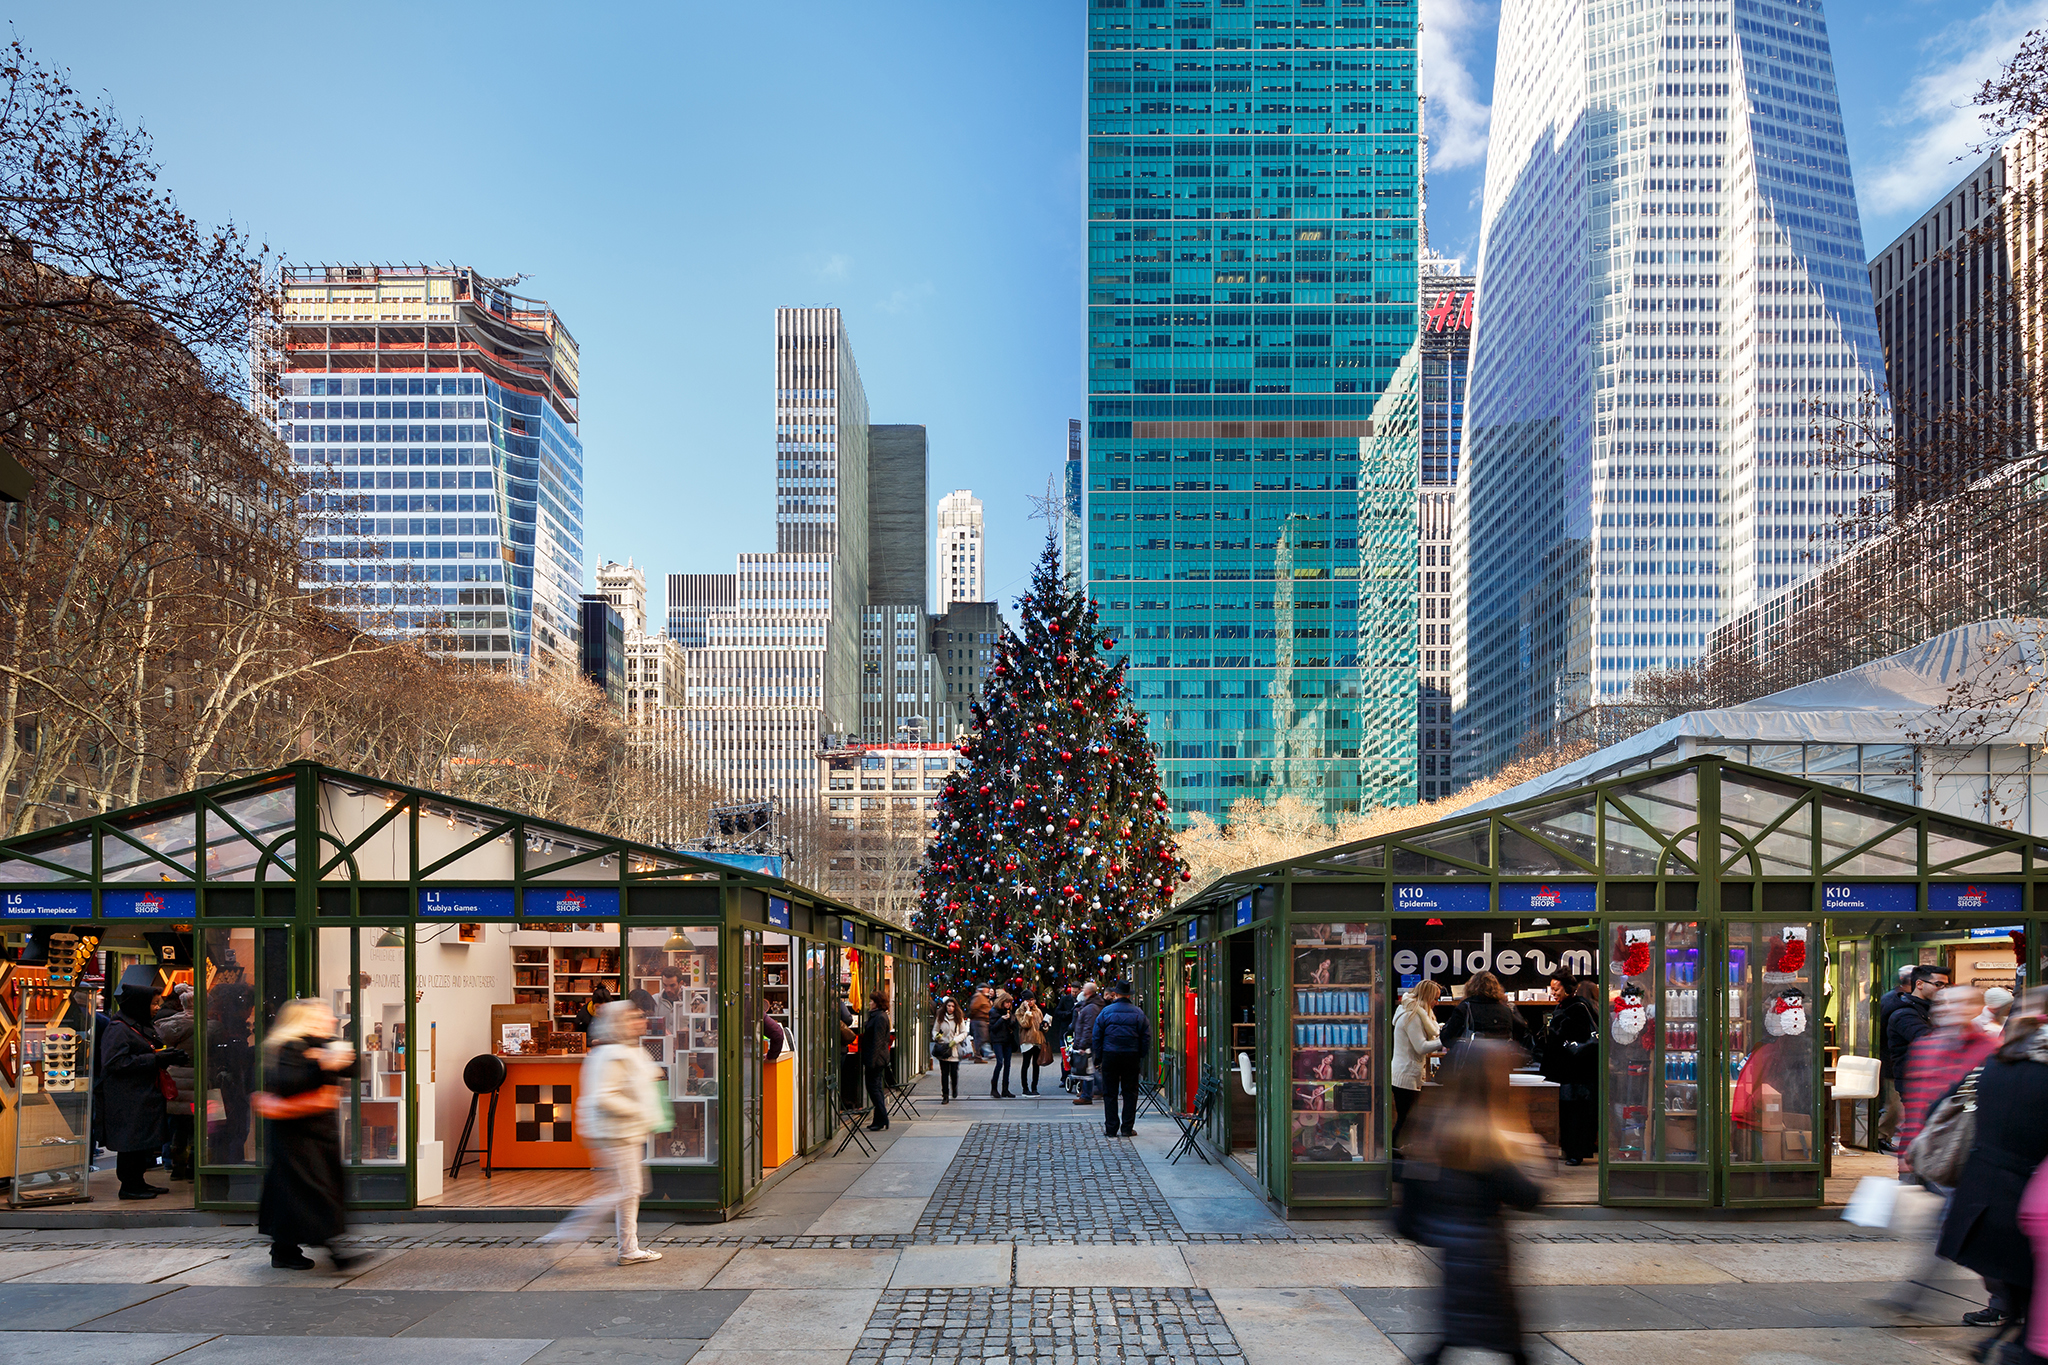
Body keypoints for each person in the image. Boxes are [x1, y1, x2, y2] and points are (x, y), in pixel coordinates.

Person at [1405, 1041, 1544, 1365]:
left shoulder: (1433, 1128)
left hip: (1452, 1257)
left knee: (1452, 1333)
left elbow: (1414, 1195)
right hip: (1486, 1260)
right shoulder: (1487, 1141)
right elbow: (1527, 1196)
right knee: (1509, 1340)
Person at [1937, 988, 2048, 1358]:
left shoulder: (1996, 1060)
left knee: (2021, 1294)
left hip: (1982, 1194)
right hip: (2028, 1199)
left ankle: (2001, 1341)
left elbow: (1944, 1105)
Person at [1880, 985, 1998, 1322]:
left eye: (1958, 1003)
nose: (1947, 1008)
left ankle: (1915, 1295)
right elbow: (1914, 1100)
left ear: (1976, 1008)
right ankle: (2003, 1299)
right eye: (1944, 1003)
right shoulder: (1927, 1046)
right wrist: (1907, 1147)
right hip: (1934, 1151)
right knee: (1948, 1228)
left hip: (1969, 1154)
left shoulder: (1989, 1048)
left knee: (1953, 1228)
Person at [541, 1001, 664, 1265]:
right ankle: (569, 1232)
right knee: (625, 1191)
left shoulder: (617, 1051)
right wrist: (639, 1110)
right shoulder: (613, 1054)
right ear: (621, 1022)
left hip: (619, 1132)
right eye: (634, 1018)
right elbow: (604, 1097)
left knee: (626, 1191)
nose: (640, 1021)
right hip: (616, 1132)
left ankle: (628, 1247)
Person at [256, 999, 359, 1269]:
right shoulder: (292, 1047)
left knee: (301, 1190)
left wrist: (329, 1059)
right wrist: (324, 1064)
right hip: (298, 1135)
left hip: (316, 1132)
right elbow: (293, 1085)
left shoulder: (322, 1045)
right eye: (326, 1016)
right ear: (308, 1020)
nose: (333, 1021)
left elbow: (353, 1067)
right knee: (310, 1190)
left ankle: (285, 1249)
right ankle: (335, 1253)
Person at [96, 965, 187, 1199]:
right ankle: (130, 1185)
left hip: (142, 1094)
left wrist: (165, 1057)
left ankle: (138, 1181)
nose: (157, 1008)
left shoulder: (139, 1025)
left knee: (140, 1142)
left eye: (158, 1003)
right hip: (126, 1097)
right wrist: (156, 1058)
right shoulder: (119, 1028)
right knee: (130, 1143)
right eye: (153, 1003)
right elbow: (115, 1063)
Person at [1884, 965, 1948, 1153]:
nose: (1942, 990)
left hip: (1931, 1081)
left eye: (1946, 985)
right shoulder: (1904, 1012)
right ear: (1919, 984)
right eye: (1938, 984)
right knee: (1916, 1132)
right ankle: (1909, 1176)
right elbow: (1928, 1042)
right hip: (1915, 1083)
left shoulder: (1928, 1010)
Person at [1540, 972, 1599, 1167]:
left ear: (1568, 988)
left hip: (1578, 1069)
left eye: (1556, 989)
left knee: (1575, 1110)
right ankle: (1572, 1150)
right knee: (1570, 1109)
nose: (1552, 992)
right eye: (1551, 988)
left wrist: (1566, 1043)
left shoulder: (1578, 1007)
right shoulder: (1567, 1005)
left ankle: (1576, 1152)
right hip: (1570, 1068)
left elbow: (1585, 1035)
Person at [1092, 981, 1153, 1137]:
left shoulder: (1106, 1012)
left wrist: (1098, 1057)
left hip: (1110, 1054)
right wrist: (1140, 1054)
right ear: (1129, 995)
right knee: (1130, 1092)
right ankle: (1127, 1127)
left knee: (1110, 1093)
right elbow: (1146, 1037)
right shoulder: (1138, 1013)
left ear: (1115, 995)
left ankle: (1111, 1128)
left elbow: (1097, 1036)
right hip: (1131, 1055)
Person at [1392, 980, 1445, 1155]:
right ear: (1427, 996)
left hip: (1407, 1073)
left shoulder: (1413, 1012)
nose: (1436, 1003)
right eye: (1435, 998)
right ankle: (1395, 1152)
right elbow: (1421, 1047)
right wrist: (1443, 1040)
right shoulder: (1412, 1016)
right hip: (1405, 1074)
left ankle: (1398, 1151)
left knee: (1407, 1118)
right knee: (1406, 1119)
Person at [154, 982, 198, 1183]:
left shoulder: (169, 1025)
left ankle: (175, 1166)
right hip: (198, 1082)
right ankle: (193, 1167)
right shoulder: (208, 1025)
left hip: (176, 1082)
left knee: (178, 1128)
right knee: (199, 1128)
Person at [1439, 971, 1531, 1056]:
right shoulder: (1506, 1010)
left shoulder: (1465, 1008)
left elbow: (1447, 1040)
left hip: (1472, 1064)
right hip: (1500, 1064)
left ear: (1470, 987)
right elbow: (1521, 1033)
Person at [1876, 964, 1917, 1151]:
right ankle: (1881, 1135)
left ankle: (1884, 1134)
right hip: (1892, 1060)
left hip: (1897, 1061)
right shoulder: (1895, 1002)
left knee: (1896, 1103)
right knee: (1893, 1103)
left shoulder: (1897, 1000)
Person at [861, 987, 895, 1130]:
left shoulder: (880, 1017)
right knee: (876, 1089)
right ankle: (879, 1120)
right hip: (876, 1058)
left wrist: (871, 1061)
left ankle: (883, 1118)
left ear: (877, 1003)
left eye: (872, 1001)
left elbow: (878, 1041)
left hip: (876, 1059)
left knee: (873, 1088)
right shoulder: (877, 1016)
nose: (869, 1003)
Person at [933, 998, 971, 1104]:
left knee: (953, 1073)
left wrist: (955, 1040)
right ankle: (945, 1095)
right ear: (945, 1006)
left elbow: (964, 1033)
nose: (950, 1008)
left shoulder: (959, 1018)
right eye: (949, 1006)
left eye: (953, 1006)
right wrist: (937, 1036)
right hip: (943, 1049)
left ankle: (954, 1088)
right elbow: (935, 1030)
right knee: (944, 1073)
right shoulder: (940, 1017)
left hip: (954, 1050)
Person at [1071, 982, 1103, 1106]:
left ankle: (1091, 1094)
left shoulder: (1091, 1008)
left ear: (1088, 992)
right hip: (1089, 1041)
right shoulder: (1092, 1005)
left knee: (1090, 1071)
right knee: (1089, 1070)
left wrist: (1082, 1044)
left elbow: (1088, 1027)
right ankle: (1088, 1093)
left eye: (1084, 989)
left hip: (1089, 1043)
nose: (1082, 991)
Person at [987, 989, 1018, 1098]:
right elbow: (992, 1028)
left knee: (1008, 1064)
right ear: (1002, 1002)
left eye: (1010, 1003)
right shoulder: (994, 1011)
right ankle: (994, 1088)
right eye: (1007, 1002)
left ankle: (1005, 1089)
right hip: (997, 1040)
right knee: (1000, 1062)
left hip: (1007, 1040)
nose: (1008, 1005)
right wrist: (1002, 1019)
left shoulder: (1009, 1012)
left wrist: (1011, 1020)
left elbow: (1013, 1027)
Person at [1016, 994, 1049, 1096]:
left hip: (1038, 1040)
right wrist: (1027, 1011)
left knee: (1036, 1065)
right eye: (1027, 1000)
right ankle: (1025, 1089)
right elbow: (1025, 1024)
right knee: (1025, 1064)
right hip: (1027, 1040)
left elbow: (1042, 1027)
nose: (1030, 1002)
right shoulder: (1020, 1011)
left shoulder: (1038, 1011)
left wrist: (1045, 1026)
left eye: (1032, 1000)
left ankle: (1034, 1087)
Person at [1050, 986, 1078, 1087]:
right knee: (1065, 1055)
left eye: (1076, 992)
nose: (1074, 993)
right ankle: (1064, 1077)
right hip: (1066, 1030)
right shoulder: (1065, 1000)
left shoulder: (1081, 1001)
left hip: (1075, 1031)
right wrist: (1066, 1013)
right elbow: (1057, 1012)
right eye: (1073, 991)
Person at [968, 986, 993, 1062]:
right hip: (979, 1020)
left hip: (982, 1020)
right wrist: (978, 1016)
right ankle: (978, 1056)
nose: (988, 990)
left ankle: (979, 1055)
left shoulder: (983, 997)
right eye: (987, 989)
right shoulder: (979, 996)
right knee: (981, 1038)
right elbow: (974, 1008)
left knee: (981, 1038)